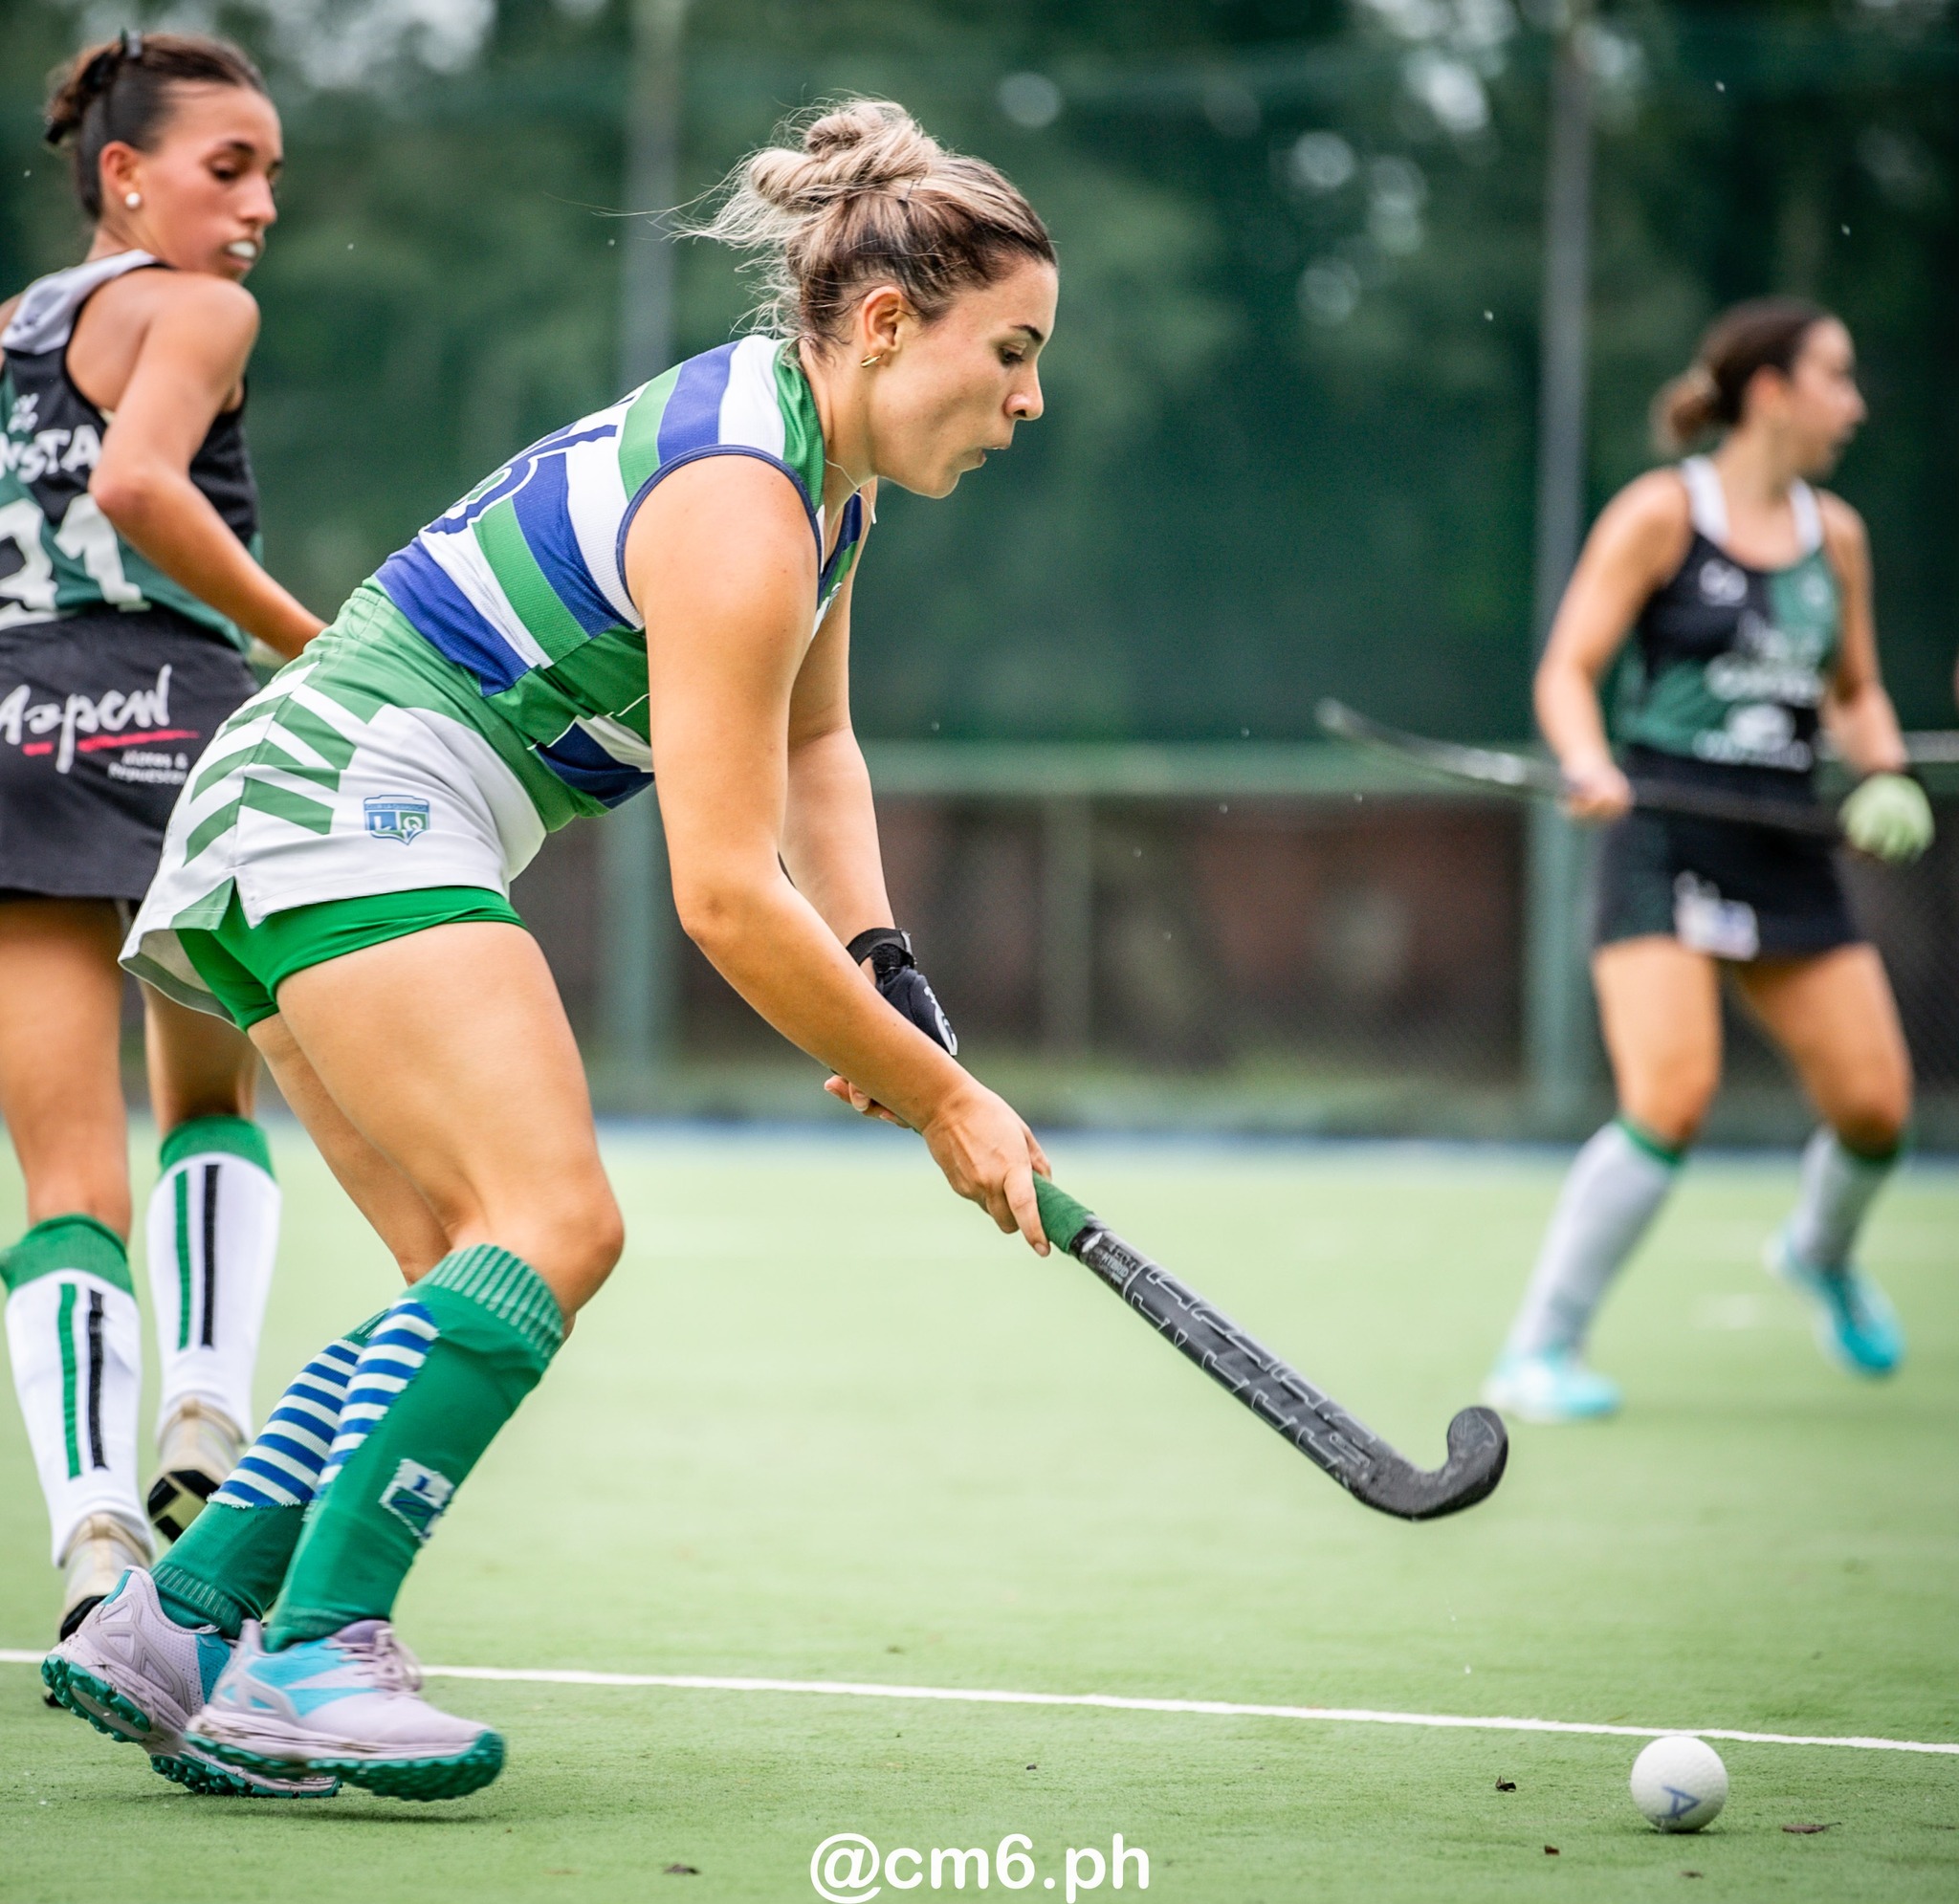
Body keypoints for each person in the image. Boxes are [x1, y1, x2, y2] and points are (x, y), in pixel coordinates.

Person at [46, 99, 1058, 1805]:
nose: (1029, 402)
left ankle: (185, 1619)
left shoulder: (819, 491)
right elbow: (723, 894)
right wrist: (948, 1103)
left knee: (466, 1266)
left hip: (287, 802)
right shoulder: (741, 503)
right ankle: (315, 1654)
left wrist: (885, 971)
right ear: (887, 324)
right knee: (555, 1224)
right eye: (1012, 354)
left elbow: (815, 745)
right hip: (352, 798)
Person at [0, 30, 320, 1652]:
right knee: (209, 1097)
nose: (259, 204)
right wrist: (306, 637)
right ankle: (204, 1407)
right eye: (228, 168)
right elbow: (139, 484)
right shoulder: (198, 310)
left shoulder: (13, 327)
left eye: (270, 174)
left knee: (65, 1179)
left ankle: (92, 1536)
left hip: (20, 739)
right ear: (124, 173)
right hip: (174, 730)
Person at [1483, 299, 1932, 1425]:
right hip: (1662, 832)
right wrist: (1587, 761)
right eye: (1833, 377)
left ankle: (1817, 1252)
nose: (1852, 404)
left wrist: (1882, 773)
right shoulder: (1659, 513)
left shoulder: (1836, 538)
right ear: (1770, 390)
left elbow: (1853, 689)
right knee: (1669, 1096)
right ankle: (1538, 1350)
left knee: (1875, 1108)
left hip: (1782, 839)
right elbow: (1566, 670)